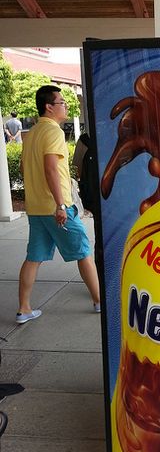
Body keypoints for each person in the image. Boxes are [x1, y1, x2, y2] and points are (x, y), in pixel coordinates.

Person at [16, 85, 100, 324]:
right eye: (61, 102)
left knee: (34, 256)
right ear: (49, 107)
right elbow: (51, 167)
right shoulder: (53, 132)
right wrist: (61, 205)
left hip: (36, 208)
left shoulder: (31, 134)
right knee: (83, 252)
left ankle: (24, 309)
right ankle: (98, 301)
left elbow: (24, 168)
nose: (65, 106)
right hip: (57, 208)